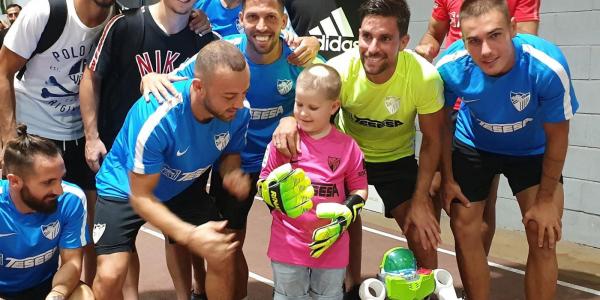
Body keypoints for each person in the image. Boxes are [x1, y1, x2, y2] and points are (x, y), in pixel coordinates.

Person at [139, 0, 320, 296]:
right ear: (241, 20)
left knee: (302, 239)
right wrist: (150, 77)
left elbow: (332, 90)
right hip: (233, 162)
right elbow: (177, 80)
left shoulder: (299, 57)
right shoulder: (227, 55)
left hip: (283, 165)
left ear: (284, 21)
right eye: (253, 17)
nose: (261, 26)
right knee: (228, 243)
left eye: (271, 17)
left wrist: (293, 118)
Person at [274, 0, 446, 285]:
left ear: (403, 41)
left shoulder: (424, 78)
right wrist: (289, 120)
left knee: (421, 231)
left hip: (396, 159)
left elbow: (432, 138)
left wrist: (420, 199)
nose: (373, 47)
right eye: (366, 36)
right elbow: (309, 107)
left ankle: (429, 289)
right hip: (348, 159)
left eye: (385, 38)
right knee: (339, 222)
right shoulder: (342, 70)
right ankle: (350, 287)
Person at [436, 0, 578, 299]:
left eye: (495, 35)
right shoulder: (450, 67)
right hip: (474, 143)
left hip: (532, 150)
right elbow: (442, 125)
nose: (485, 50)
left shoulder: (547, 66)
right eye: (474, 41)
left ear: (513, 28)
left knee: (543, 233)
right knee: (464, 228)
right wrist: (447, 177)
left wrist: (545, 199)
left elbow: (558, 137)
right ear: (462, 41)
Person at [92, 40, 250, 300]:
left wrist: (232, 172)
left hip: (181, 185)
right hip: (126, 186)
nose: (240, 103)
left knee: (221, 250)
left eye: (244, 92)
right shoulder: (157, 118)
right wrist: (188, 234)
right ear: (199, 87)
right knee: (110, 274)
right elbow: (141, 197)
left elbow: (231, 151)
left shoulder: (239, 112)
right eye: (230, 96)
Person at [78, 0, 216, 298]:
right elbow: (91, 77)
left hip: (178, 160)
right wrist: (92, 136)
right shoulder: (125, 25)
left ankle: (187, 294)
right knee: (122, 243)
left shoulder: (202, 34)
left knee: (178, 235)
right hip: (124, 158)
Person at [415, 0, 541, 258]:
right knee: (433, 188)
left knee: (479, 202)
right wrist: (428, 47)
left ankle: (474, 286)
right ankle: (426, 279)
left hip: (487, 106)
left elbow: (527, 41)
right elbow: (433, 33)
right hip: (450, 98)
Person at [259, 64, 368, 299]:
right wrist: (272, 193)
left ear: (334, 106)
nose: (303, 113)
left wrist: (345, 215)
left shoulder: (348, 147)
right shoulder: (284, 140)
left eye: (313, 107)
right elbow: (264, 180)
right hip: (288, 242)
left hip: (332, 242)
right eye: (299, 104)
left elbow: (360, 189)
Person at [0, 124, 93, 300]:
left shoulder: (71, 199)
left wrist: (57, 295)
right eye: (48, 182)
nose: (59, 190)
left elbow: (72, 263)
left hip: (44, 286)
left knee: (84, 295)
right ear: (15, 182)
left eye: (60, 179)